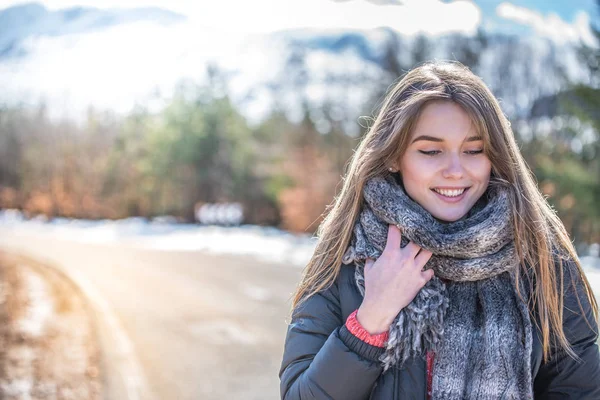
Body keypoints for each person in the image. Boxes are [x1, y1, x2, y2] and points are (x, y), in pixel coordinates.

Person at [279, 60, 600, 399]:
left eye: (474, 150)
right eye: (431, 151)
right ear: (393, 156)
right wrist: (372, 317)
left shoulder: (540, 257)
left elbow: (580, 390)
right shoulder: (348, 254)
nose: (455, 170)